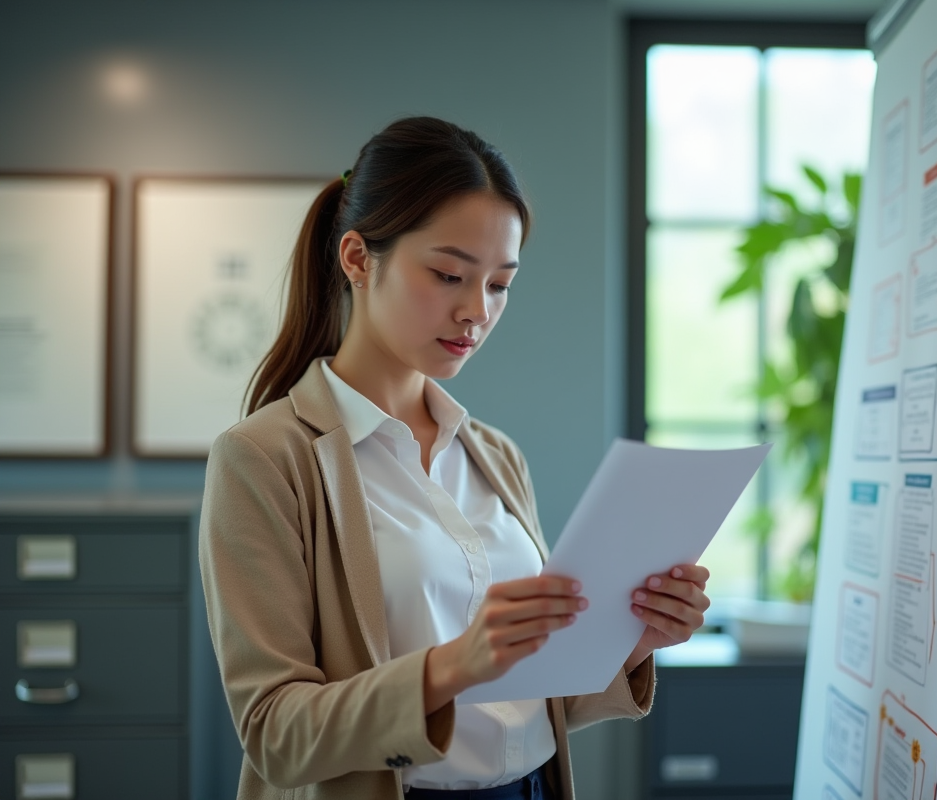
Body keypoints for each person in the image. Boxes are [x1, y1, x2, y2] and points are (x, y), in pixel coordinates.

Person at [199, 116, 711, 800]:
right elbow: (275, 735)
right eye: (448, 274)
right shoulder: (264, 459)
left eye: (500, 284)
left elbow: (530, 706)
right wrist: (449, 668)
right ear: (357, 259)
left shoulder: (495, 455)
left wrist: (633, 641)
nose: (476, 310)